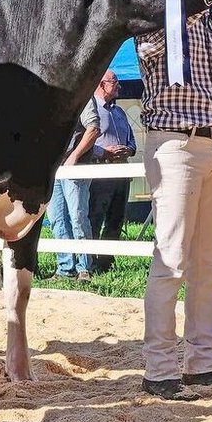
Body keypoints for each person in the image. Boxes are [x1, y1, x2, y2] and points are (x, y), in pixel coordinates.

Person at [138, 14, 212, 399]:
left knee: (208, 264)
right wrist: (178, 8)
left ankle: (202, 364)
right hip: (174, 143)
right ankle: (159, 369)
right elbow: (147, 50)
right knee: (171, 259)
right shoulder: (161, 18)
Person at [85, 70, 137, 274]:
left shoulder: (120, 112)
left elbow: (132, 140)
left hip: (121, 175)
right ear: (101, 84)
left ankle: (106, 262)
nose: (119, 86)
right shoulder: (91, 110)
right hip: (100, 174)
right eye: (114, 82)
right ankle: (92, 261)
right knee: (95, 216)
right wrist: (103, 152)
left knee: (116, 218)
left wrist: (129, 149)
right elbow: (84, 142)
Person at [48, 104, 99, 281]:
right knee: (57, 218)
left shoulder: (84, 97)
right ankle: (65, 268)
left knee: (77, 217)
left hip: (75, 167)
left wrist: (74, 156)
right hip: (53, 168)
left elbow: (93, 128)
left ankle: (85, 267)